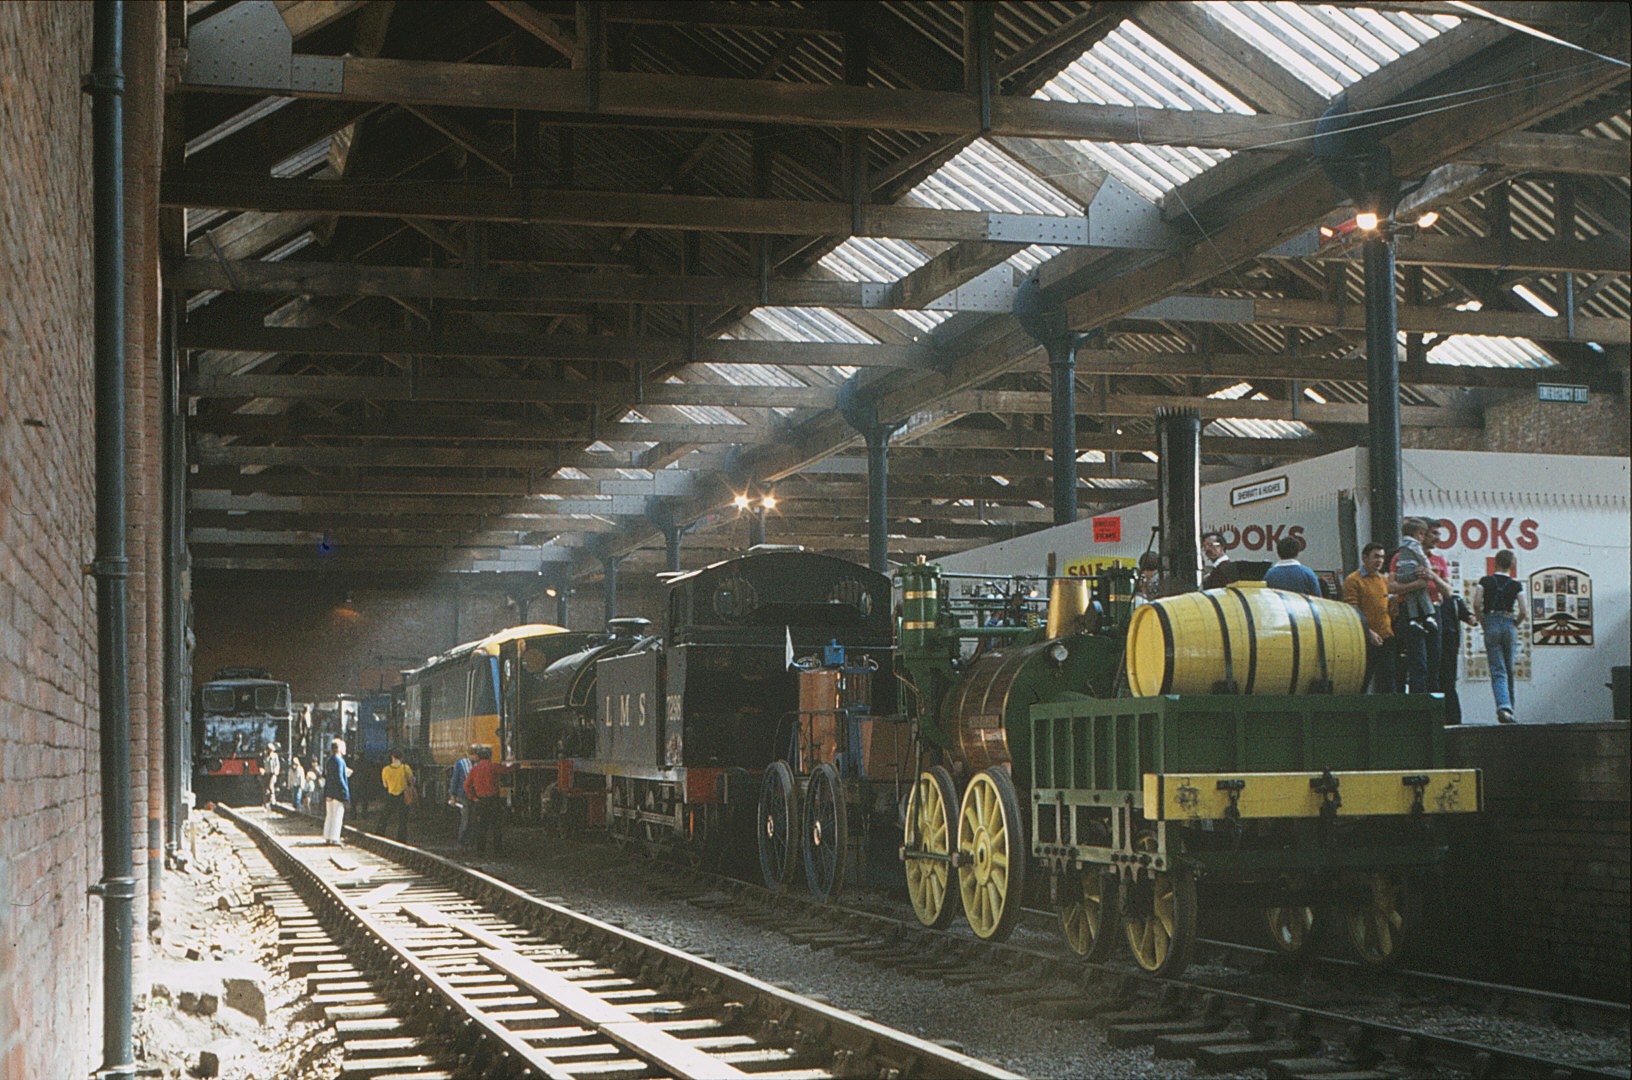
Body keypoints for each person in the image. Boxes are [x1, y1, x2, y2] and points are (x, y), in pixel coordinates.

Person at [1392, 518, 1453, 694]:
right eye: (1433, 533)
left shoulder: (1439, 561)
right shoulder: (1401, 555)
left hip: (1433, 611)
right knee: (1418, 663)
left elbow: (1448, 591)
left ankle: (1433, 709)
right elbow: (1391, 587)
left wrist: (1432, 576)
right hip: (1411, 612)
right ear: (1422, 534)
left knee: (1435, 662)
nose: (1437, 538)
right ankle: (1418, 708)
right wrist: (1417, 585)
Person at [1475, 549, 1526, 723]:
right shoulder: (1516, 585)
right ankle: (1510, 710)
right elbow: (1523, 610)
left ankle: (1504, 707)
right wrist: (1515, 624)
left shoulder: (1485, 581)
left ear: (1495, 562)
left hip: (1491, 622)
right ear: (1512, 564)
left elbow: (1476, 604)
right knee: (1509, 669)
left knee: (1498, 671)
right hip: (1508, 622)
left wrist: (1483, 621)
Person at [1343, 542, 1396, 694]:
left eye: (1382, 557)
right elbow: (1351, 610)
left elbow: (1388, 610)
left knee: (1388, 679)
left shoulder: (1384, 581)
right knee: (1362, 680)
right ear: (1365, 558)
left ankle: (1388, 715)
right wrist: (1368, 632)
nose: (1379, 561)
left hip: (1386, 636)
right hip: (1364, 639)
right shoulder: (1354, 580)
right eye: (1376, 557)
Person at [463, 745, 514, 856]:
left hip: (480, 801)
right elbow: (506, 770)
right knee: (496, 826)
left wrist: (473, 798)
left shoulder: (474, 769)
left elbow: (466, 785)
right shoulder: (494, 767)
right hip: (493, 800)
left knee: (482, 826)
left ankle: (480, 850)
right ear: (489, 756)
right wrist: (516, 765)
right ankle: (498, 851)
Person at [1438, 584, 1478, 724]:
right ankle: (1447, 717)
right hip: (1439, 644)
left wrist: (1473, 618)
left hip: (1449, 645)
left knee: (1448, 682)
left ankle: (1453, 719)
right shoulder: (1428, 598)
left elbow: (1467, 615)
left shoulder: (1454, 600)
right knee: (1441, 682)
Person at [378, 750, 415, 842]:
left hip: (391, 795)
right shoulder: (406, 768)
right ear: (401, 758)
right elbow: (411, 781)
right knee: (403, 818)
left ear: (392, 757)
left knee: (385, 816)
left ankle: (379, 833)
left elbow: (385, 785)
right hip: (403, 795)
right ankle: (401, 839)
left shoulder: (386, 769)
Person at [322, 738, 352, 845]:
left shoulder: (329, 760)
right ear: (339, 749)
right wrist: (345, 792)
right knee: (338, 815)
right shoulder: (340, 761)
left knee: (329, 815)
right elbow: (340, 778)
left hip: (329, 792)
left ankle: (327, 836)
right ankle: (335, 838)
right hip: (337, 793)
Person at [449, 744, 478, 849]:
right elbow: (455, 780)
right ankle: (462, 842)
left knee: (473, 820)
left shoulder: (476, 765)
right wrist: (453, 795)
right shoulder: (460, 764)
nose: (476, 758)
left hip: (473, 796)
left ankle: (470, 842)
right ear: (471, 754)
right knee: (465, 819)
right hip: (463, 795)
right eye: (475, 755)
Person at [260, 742, 281, 809]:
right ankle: (265, 803)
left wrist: (276, 771)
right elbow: (261, 764)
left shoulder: (275, 756)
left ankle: (273, 800)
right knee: (265, 788)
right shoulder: (264, 756)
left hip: (273, 773)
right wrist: (262, 769)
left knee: (271, 786)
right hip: (266, 773)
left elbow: (277, 765)